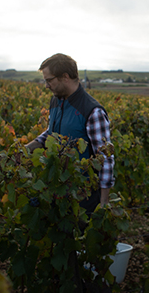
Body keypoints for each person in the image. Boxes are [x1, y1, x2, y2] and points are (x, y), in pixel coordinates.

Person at [26, 53, 114, 212]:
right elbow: (51, 133)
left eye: (49, 80)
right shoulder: (56, 100)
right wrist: (27, 148)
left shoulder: (92, 111)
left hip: (82, 196)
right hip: (57, 189)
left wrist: (104, 202)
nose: (46, 86)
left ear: (65, 77)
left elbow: (105, 158)